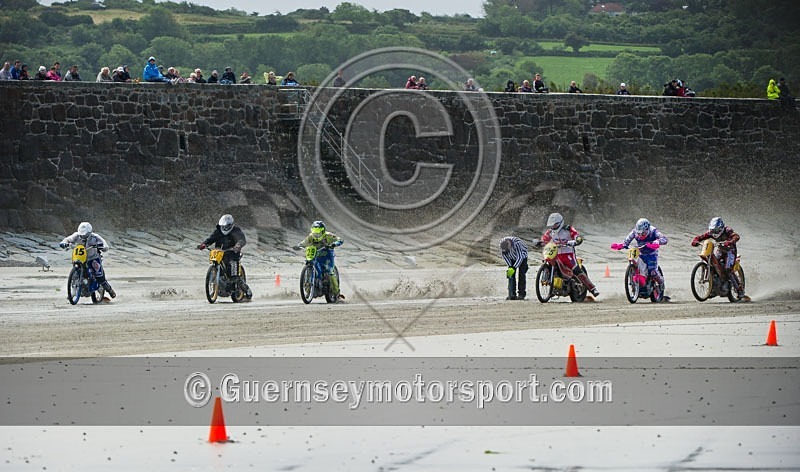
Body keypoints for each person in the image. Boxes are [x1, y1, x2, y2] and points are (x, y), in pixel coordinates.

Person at [533, 212, 600, 297]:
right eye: (552, 225)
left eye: (555, 224)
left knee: (576, 270)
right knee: (549, 264)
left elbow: (576, 235)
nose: (553, 227)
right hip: (555, 253)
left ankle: (592, 289)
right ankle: (553, 286)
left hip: (568, 254)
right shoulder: (550, 232)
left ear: (560, 223)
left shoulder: (568, 229)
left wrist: (577, 240)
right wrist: (540, 242)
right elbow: (545, 239)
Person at [197, 214, 253, 300]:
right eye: (223, 226)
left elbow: (242, 239)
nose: (224, 228)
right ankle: (215, 287)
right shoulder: (218, 231)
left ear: (231, 225)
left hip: (232, 254)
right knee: (214, 265)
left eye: (226, 227)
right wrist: (204, 244)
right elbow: (210, 239)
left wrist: (238, 245)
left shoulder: (236, 231)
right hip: (220, 254)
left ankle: (246, 289)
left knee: (234, 276)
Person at [59, 222, 116, 298]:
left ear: (89, 233)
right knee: (75, 274)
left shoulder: (95, 237)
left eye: (85, 235)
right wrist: (64, 243)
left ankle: (109, 290)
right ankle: (73, 291)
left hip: (93, 258)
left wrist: (103, 247)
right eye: (81, 235)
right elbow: (68, 239)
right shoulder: (76, 235)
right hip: (80, 258)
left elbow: (104, 244)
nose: (83, 236)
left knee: (99, 276)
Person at [691, 217, 744, 299]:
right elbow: (701, 237)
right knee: (713, 264)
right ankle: (713, 287)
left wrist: (729, 242)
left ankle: (739, 289)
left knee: (728, 269)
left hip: (730, 250)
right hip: (720, 249)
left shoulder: (728, 230)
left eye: (715, 231)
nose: (713, 233)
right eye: (712, 231)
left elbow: (736, 236)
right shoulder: (710, 233)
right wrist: (696, 240)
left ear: (721, 228)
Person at [614, 218, 668, 298]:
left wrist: (657, 242)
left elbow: (665, 239)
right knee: (634, 262)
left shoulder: (653, 231)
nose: (640, 235)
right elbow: (627, 240)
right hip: (640, 252)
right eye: (639, 233)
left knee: (652, 271)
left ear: (647, 229)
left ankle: (661, 283)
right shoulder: (634, 232)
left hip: (651, 254)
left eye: (643, 233)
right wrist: (622, 245)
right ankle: (635, 282)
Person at [295, 221, 343, 296]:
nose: (316, 234)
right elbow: (304, 242)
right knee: (310, 266)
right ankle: (308, 290)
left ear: (323, 231)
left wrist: (334, 244)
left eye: (318, 232)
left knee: (330, 271)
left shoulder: (328, 236)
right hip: (315, 255)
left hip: (327, 256)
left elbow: (339, 240)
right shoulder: (310, 237)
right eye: (314, 231)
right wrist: (298, 246)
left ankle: (336, 293)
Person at [500, 236, 528, 300]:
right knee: (511, 275)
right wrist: (510, 266)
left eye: (508, 250)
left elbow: (520, 257)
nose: (507, 251)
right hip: (511, 258)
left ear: (509, 245)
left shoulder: (517, 244)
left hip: (522, 257)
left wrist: (514, 267)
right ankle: (512, 294)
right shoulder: (502, 244)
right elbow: (504, 256)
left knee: (522, 275)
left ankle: (521, 294)